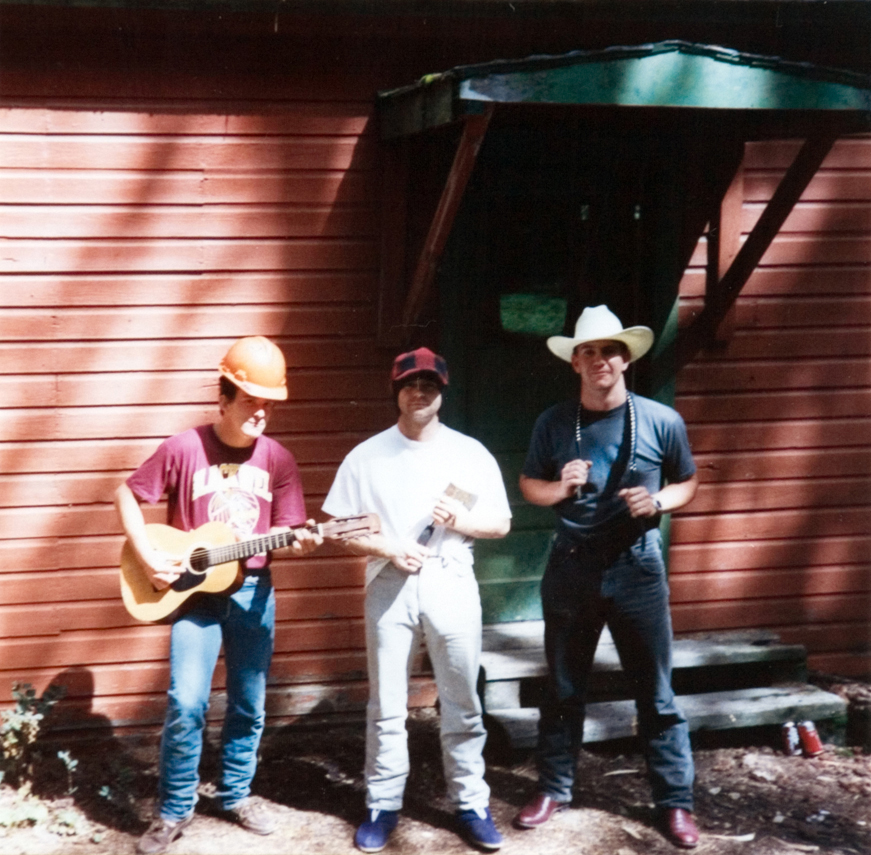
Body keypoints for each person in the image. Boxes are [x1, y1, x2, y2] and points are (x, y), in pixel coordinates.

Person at [114, 336, 322, 855]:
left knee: (249, 703)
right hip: (193, 596)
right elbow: (127, 492)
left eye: (268, 403)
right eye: (251, 400)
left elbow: (289, 531)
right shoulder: (183, 448)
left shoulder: (278, 459)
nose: (261, 413)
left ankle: (236, 793)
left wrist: (302, 541)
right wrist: (144, 551)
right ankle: (174, 809)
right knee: (186, 701)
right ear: (223, 398)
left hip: (253, 592)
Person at [514, 305, 701, 849]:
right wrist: (560, 489)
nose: (600, 360)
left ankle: (675, 803)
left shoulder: (661, 419)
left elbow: (686, 482)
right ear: (575, 362)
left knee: (657, 694)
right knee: (564, 687)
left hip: (637, 568)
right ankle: (553, 787)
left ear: (626, 358)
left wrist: (659, 500)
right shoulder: (554, 422)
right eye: (589, 351)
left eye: (610, 350)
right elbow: (530, 485)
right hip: (571, 567)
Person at [322, 347, 512, 853]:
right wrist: (388, 545)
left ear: (441, 392)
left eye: (429, 384)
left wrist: (459, 522)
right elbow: (336, 528)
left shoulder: (470, 454)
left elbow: (500, 523)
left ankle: (471, 803)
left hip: (451, 577)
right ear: (397, 391)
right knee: (387, 703)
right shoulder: (367, 455)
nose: (419, 392)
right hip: (388, 583)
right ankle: (383, 804)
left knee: (462, 701)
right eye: (410, 384)